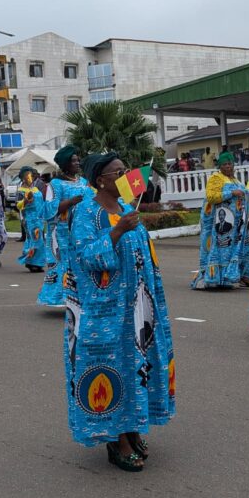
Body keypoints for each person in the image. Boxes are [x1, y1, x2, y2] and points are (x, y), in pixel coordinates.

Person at [67, 152, 175, 472]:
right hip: (105, 311)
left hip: (137, 308)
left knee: (135, 366)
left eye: (126, 171)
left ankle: (131, 427)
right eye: (118, 172)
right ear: (100, 179)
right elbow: (85, 257)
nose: (125, 176)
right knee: (111, 366)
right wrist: (117, 232)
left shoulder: (127, 208)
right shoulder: (87, 211)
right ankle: (116, 441)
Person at [191, 151, 249, 289]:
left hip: (238, 224)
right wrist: (231, 193)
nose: (228, 167)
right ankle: (218, 278)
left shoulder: (236, 180)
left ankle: (242, 275)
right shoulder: (216, 178)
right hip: (219, 227)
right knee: (222, 251)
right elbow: (211, 197)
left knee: (246, 245)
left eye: (230, 164)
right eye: (225, 164)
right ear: (220, 166)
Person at [38, 146, 89, 305]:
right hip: (61, 234)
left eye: (77, 160)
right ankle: (63, 299)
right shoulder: (56, 184)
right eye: (73, 161)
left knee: (81, 264)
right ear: (65, 164)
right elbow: (48, 209)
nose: (77, 163)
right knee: (64, 265)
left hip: (81, 231)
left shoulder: (84, 181)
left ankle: (80, 297)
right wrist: (70, 202)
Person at [16, 166, 49, 273]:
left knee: (39, 240)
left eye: (31, 174)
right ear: (23, 177)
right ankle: (32, 262)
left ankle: (37, 262)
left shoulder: (35, 188)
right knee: (36, 240)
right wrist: (25, 201)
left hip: (39, 219)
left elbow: (41, 202)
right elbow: (18, 205)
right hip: (30, 219)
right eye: (28, 175)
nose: (30, 176)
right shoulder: (21, 190)